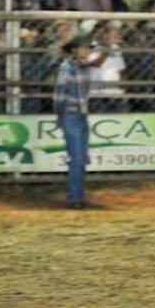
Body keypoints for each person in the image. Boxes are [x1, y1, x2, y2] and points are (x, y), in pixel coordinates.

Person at [53, 35, 92, 209]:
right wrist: (60, 115)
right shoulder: (67, 67)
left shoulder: (82, 67)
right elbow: (59, 94)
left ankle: (77, 195)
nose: (87, 51)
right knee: (78, 157)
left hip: (79, 115)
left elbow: (61, 94)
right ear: (75, 50)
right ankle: (75, 197)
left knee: (80, 157)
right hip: (72, 114)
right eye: (84, 48)